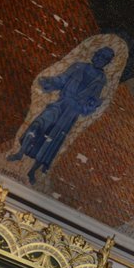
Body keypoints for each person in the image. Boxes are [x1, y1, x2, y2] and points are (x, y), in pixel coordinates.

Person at [9, 46, 115, 183]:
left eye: (105, 58)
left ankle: (32, 171)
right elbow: (62, 79)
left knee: (52, 141)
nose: (100, 59)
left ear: (108, 62)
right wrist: (49, 82)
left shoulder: (101, 79)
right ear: (95, 54)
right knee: (38, 125)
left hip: (72, 112)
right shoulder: (78, 66)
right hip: (61, 103)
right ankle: (19, 153)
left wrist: (93, 104)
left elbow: (92, 99)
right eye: (99, 55)